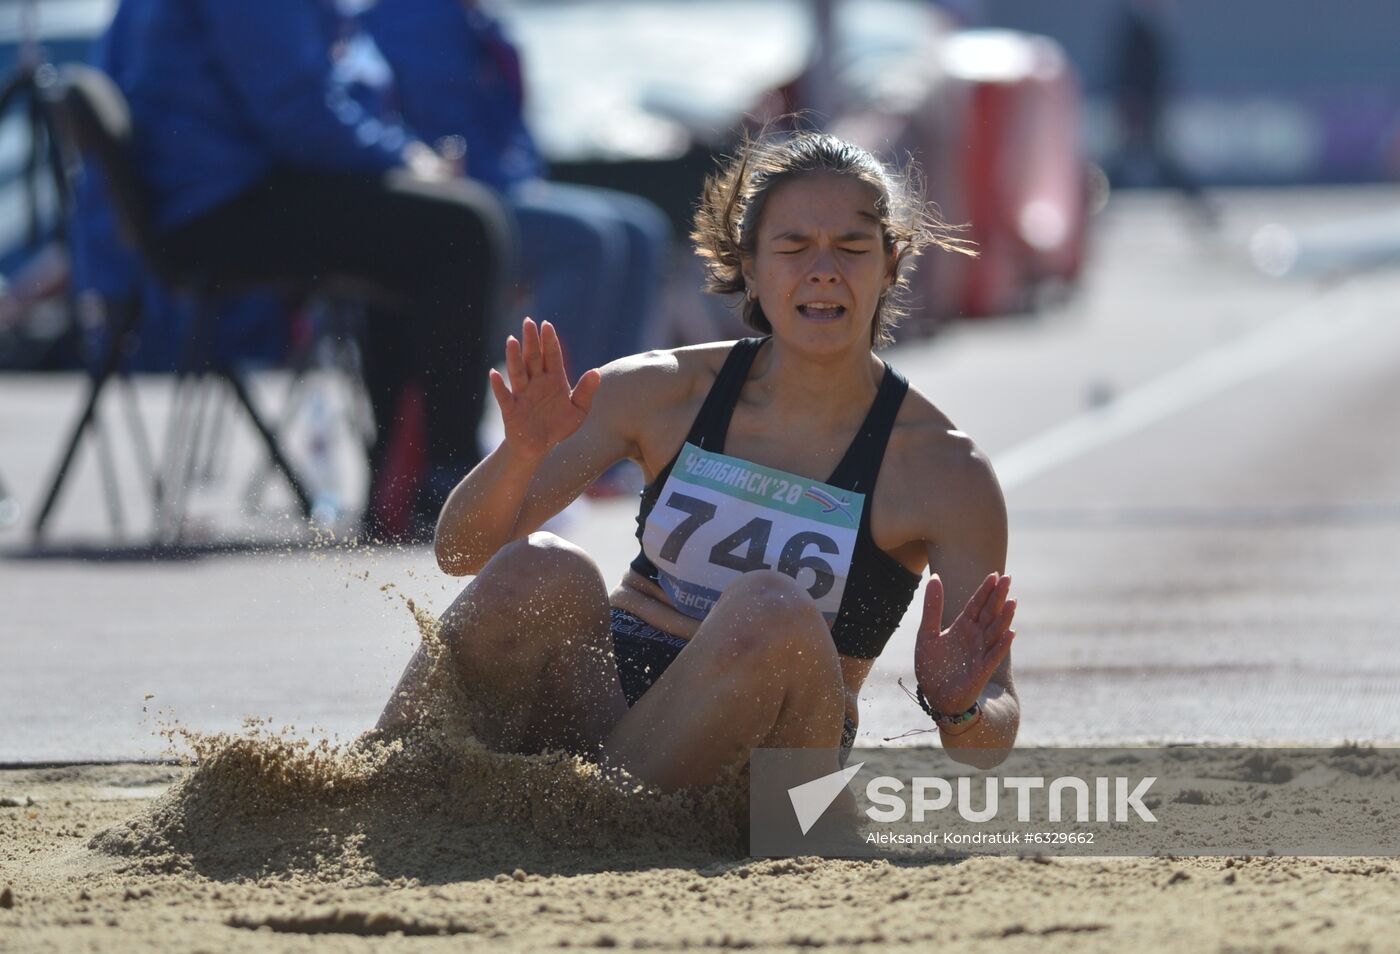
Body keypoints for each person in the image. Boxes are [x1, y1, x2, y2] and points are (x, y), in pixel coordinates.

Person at [377, 131, 1020, 792]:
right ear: (750, 267)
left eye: (852, 248)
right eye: (793, 247)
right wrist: (519, 457)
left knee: (771, 608)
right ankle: (376, 792)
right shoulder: (661, 391)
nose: (823, 270)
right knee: (544, 565)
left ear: (890, 265)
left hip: (777, 766)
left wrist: (959, 705)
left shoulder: (946, 472)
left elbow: (988, 742)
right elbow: (460, 552)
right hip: (613, 704)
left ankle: (594, 820)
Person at [78, 0, 514, 535]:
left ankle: (407, 486)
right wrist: (408, 160)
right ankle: (446, 487)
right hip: (218, 208)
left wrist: (400, 164)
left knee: (418, 229)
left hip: (200, 200)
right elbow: (298, 116)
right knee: (463, 227)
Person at [359, 0, 672, 384]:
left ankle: (615, 409)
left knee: (642, 228)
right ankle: (557, 416)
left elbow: (506, 129)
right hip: (453, 200)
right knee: (585, 240)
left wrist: (522, 175)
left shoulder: (469, 17)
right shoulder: (409, 17)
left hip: (504, 185)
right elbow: (427, 127)